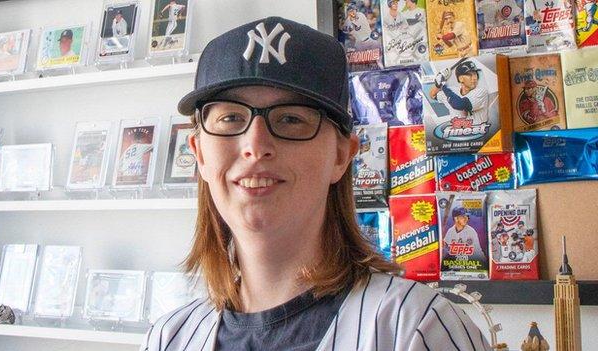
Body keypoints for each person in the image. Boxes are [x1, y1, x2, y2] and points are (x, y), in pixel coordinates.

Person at [141, 17, 491, 351]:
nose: (256, 146)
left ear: (342, 155)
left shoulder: (415, 327)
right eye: (231, 117)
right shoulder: (168, 338)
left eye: (291, 118)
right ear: (199, 152)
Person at [430, 60, 490, 125]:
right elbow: (433, 95)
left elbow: (459, 104)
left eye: (475, 74)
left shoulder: (481, 92)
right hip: (454, 133)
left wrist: (443, 84)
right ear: (460, 78)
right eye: (470, 75)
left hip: (479, 133)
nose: (475, 78)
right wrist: (438, 84)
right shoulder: (452, 91)